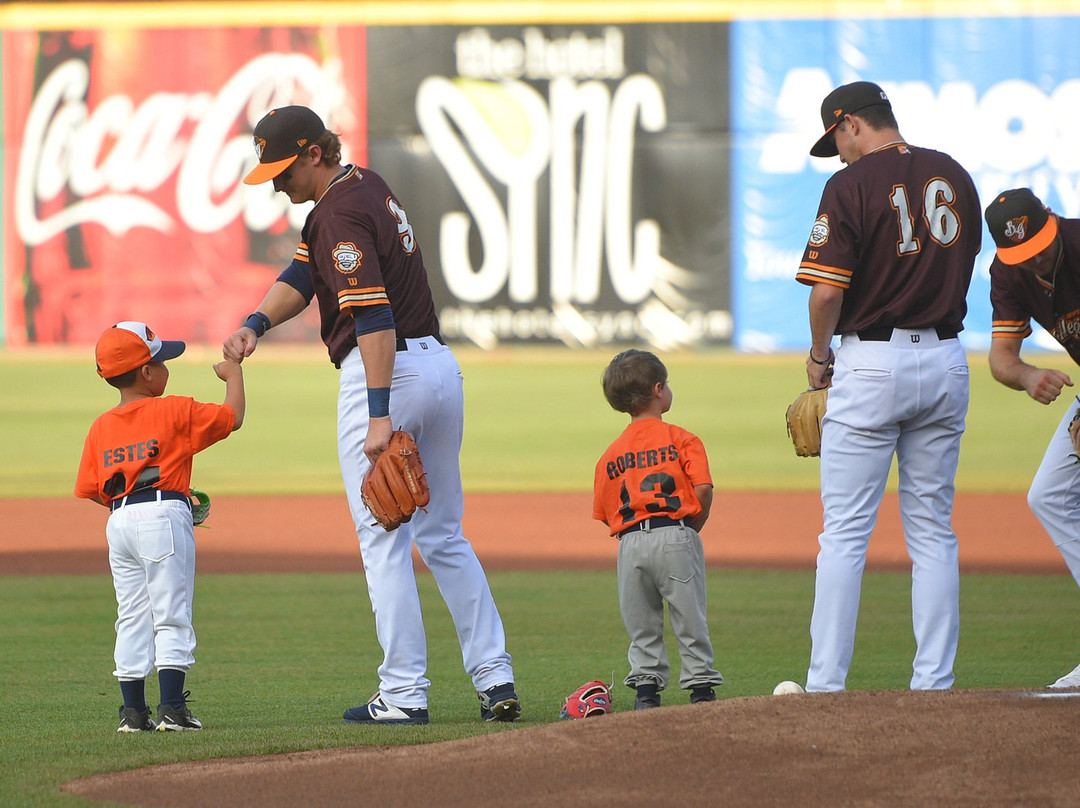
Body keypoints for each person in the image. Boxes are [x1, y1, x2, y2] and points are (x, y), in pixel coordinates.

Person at [226, 105, 520, 725]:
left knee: (382, 536)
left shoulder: (336, 213)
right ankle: (495, 678)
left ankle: (405, 692)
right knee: (443, 534)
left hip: (386, 374)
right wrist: (257, 323)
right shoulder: (362, 186)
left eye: (284, 171)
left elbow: (375, 316)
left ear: (314, 153)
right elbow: (304, 271)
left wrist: (380, 415)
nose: (277, 186)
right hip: (438, 368)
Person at [795, 81, 982, 692]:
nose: (839, 153)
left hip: (872, 362)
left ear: (851, 123)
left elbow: (826, 293)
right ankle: (934, 683)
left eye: (837, 140)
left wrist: (819, 356)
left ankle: (825, 686)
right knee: (933, 530)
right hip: (947, 359)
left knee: (845, 534)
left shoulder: (850, 184)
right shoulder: (955, 175)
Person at [75, 321, 245, 732]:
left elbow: (91, 489)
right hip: (163, 515)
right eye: (162, 361)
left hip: (119, 521)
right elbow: (232, 417)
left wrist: (131, 504)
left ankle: (133, 713)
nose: (167, 366)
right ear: (147, 372)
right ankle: (172, 708)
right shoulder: (174, 409)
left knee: (131, 616)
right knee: (171, 613)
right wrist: (233, 373)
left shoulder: (100, 426)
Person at [985, 188, 1080, 689]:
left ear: (1052, 220)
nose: (1036, 258)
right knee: (1049, 495)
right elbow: (1001, 357)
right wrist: (1026, 376)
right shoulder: (1009, 273)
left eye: (1040, 245)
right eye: (1023, 252)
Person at [593, 349, 722, 709]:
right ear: (658, 389)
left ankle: (646, 693)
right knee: (689, 616)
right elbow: (703, 488)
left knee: (642, 624)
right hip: (675, 533)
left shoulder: (609, 454)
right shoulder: (683, 438)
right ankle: (701, 690)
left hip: (630, 542)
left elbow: (605, 512)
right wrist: (691, 527)